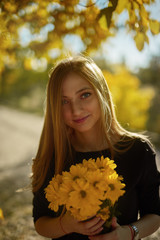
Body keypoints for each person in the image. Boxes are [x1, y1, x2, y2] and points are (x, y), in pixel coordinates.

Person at [32, 55, 160, 240]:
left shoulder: (139, 150)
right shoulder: (54, 154)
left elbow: (155, 215)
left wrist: (128, 233)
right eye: (64, 101)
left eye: (85, 95)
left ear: (102, 93)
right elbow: (40, 223)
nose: (76, 110)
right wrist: (65, 225)